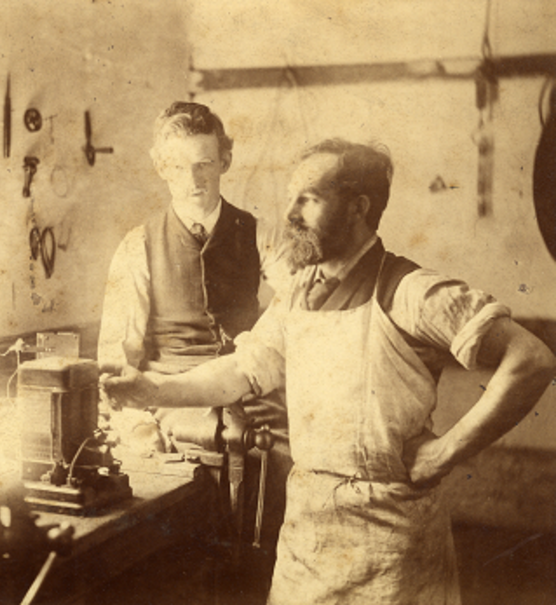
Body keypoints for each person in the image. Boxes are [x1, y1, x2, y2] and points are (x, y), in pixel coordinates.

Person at [101, 138, 556, 604]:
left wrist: (445, 454)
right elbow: (241, 371)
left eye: (309, 199)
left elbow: (532, 359)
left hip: (390, 542)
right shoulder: (298, 293)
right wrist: (152, 389)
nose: (291, 214)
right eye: (291, 197)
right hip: (308, 535)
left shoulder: (408, 291)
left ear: (358, 207)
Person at [97, 101, 291, 597]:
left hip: (252, 396)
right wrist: (139, 427)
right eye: (179, 166)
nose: (194, 178)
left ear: (226, 160)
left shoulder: (261, 234)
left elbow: (302, 303)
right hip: (170, 407)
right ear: (160, 167)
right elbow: (117, 361)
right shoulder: (137, 245)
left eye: (205, 163)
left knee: (276, 520)